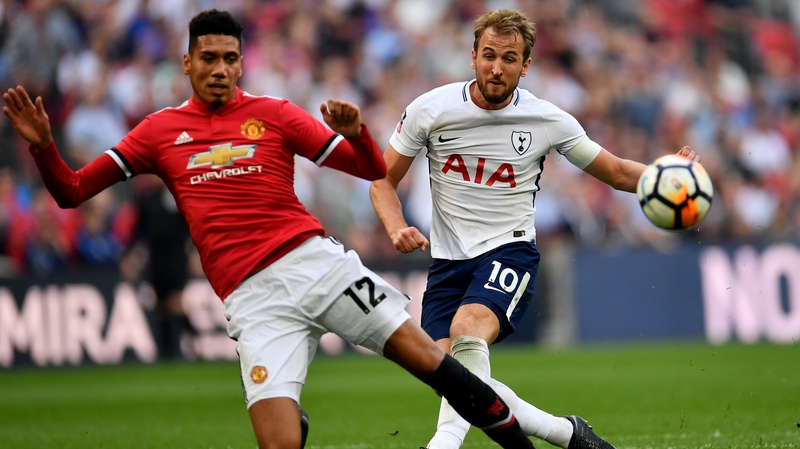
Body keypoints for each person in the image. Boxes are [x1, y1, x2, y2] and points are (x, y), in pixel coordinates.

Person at [3, 9, 537, 449]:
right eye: (208, 58)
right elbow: (71, 191)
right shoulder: (157, 132)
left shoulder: (275, 114)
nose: (220, 69)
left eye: (230, 59)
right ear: (187, 62)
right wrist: (44, 147)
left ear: (241, 64)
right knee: (279, 444)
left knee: (432, 363)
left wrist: (357, 134)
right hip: (251, 300)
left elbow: (370, 169)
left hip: (316, 264)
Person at [369, 8, 701, 449]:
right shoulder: (430, 110)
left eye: (509, 59)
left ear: (525, 66)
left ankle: (443, 443)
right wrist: (395, 227)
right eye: (489, 55)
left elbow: (617, 172)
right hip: (447, 264)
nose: (496, 67)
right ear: (472, 57)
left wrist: (667, 176)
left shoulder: (546, 119)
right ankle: (567, 433)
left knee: (468, 330)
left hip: (509, 252)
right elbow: (382, 179)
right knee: (452, 379)